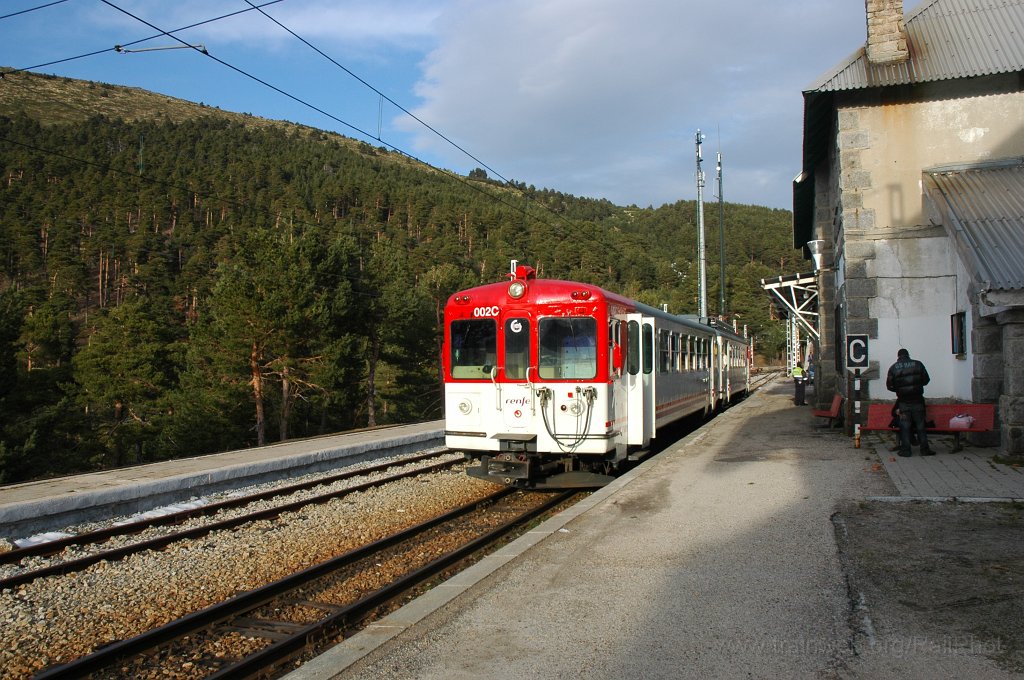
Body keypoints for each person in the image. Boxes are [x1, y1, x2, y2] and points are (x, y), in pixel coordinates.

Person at [886, 348, 933, 457]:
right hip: (918, 400)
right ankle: (925, 450)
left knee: (905, 426)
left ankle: (906, 450)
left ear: (898, 356)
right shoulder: (918, 364)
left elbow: (889, 386)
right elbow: (926, 380)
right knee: (921, 426)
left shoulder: (893, 368)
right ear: (908, 355)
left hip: (903, 402)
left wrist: (899, 390)